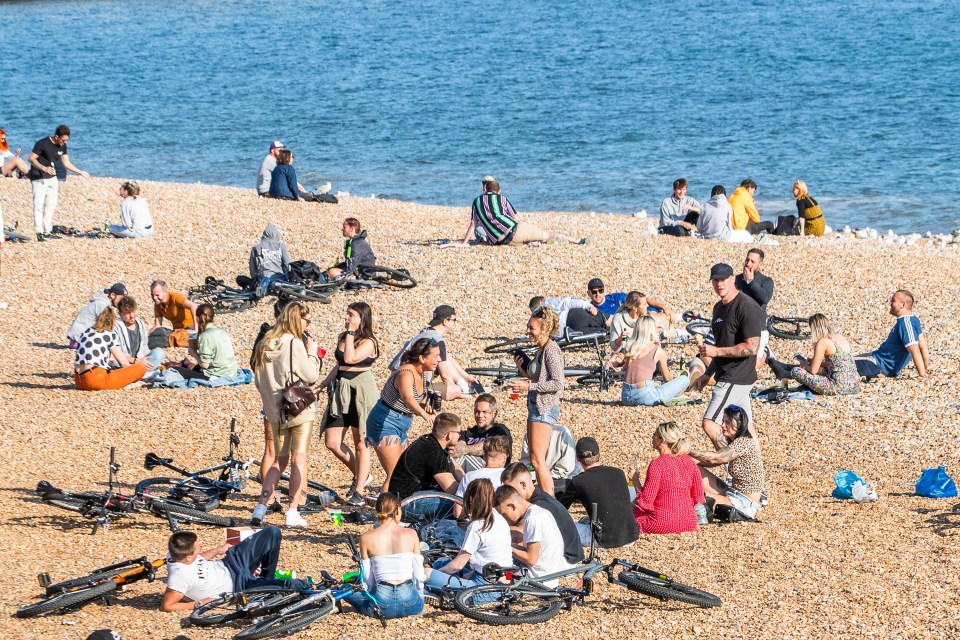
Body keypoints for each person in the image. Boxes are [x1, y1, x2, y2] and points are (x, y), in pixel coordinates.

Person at [250, 301, 322, 527]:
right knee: (298, 459)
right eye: (306, 320)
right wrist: (313, 355)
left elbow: (258, 379)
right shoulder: (294, 343)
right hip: (297, 409)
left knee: (278, 462)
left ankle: (260, 507)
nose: (307, 324)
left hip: (275, 411)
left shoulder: (265, 342)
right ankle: (292, 511)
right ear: (296, 319)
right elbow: (310, 375)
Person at [160, 527, 309, 612]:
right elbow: (167, 606)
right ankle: (312, 589)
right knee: (291, 585)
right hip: (239, 586)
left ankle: (265, 581)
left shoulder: (175, 553)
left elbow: (197, 559)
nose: (199, 547)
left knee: (272, 532)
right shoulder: (178, 577)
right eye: (197, 547)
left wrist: (217, 550)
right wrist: (198, 604)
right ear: (187, 557)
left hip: (231, 562)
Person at [693, 264, 761, 448]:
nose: (719, 284)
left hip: (736, 376)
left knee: (710, 423)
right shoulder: (718, 308)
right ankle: (754, 471)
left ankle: (733, 464)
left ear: (733, 279)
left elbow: (752, 348)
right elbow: (721, 346)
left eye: (723, 279)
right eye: (715, 280)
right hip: (727, 374)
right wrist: (708, 374)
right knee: (747, 430)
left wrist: (716, 351)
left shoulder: (747, 306)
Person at [318, 302, 379, 506]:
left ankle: (360, 490)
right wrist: (322, 385)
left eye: (351, 315)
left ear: (362, 318)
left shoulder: (369, 341)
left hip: (361, 392)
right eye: (347, 314)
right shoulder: (345, 337)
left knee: (361, 443)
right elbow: (340, 365)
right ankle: (362, 474)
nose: (346, 318)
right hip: (341, 391)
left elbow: (351, 358)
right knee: (332, 441)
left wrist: (351, 331)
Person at [368, 337, 439, 490]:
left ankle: (391, 507)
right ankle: (384, 512)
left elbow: (418, 399)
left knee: (404, 471)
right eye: (435, 356)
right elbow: (407, 398)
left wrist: (426, 407)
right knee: (395, 474)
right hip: (385, 420)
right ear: (422, 358)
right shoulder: (406, 373)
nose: (439, 360)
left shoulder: (425, 373)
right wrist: (423, 414)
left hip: (402, 422)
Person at [509, 306, 564, 496]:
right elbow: (538, 377)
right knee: (535, 459)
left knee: (538, 460)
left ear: (544, 328)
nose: (528, 331)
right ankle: (547, 499)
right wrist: (523, 371)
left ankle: (550, 501)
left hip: (544, 407)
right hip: (536, 406)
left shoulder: (551, 350)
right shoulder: (541, 350)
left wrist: (528, 387)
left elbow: (557, 383)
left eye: (531, 328)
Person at [424, 478, 513, 595]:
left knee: (427, 574)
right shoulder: (499, 519)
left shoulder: (477, 526)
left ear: (471, 499)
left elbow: (457, 565)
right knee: (443, 561)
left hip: (485, 587)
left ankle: (435, 591)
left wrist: (436, 573)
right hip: (506, 579)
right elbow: (488, 559)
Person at [344, 493, 425, 619]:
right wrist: (419, 593)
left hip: (382, 602)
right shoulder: (411, 534)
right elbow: (418, 572)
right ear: (398, 510)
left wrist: (370, 593)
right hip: (410, 601)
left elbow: (367, 577)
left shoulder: (365, 538)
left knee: (345, 589)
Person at [558, 437, 639, 548]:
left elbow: (560, 509)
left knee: (557, 531)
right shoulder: (618, 472)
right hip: (631, 535)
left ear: (577, 458)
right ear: (599, 455)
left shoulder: (579, 481)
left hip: (604, 539)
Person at [456, 177, 586, 246]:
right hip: (515, 230)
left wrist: (464, 243)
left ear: (485, 189)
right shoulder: (502, 198)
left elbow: (473, 224)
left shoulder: (476, 201)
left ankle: (534, 241)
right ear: (498, 191)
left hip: (502, 242)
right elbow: (516, 217)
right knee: (547, 235)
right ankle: (578, 241)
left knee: (480, 229)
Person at [689, 406, 765, 520]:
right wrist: (687, 460)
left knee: (692, 495)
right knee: (691, 468)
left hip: (743, 503)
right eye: (723, 421)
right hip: (732, 491)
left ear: (739, 424)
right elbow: (715, 461)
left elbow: (716, 458)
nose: (723, 426)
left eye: (728, 422)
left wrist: (688, 450)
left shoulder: (744, 442)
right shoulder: (735, 440)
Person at [629, 422, 705, 534]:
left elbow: (646, 501)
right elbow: (698, 495)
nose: (652, 437)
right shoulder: (689, 461)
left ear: (662, 440)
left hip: (663, 523)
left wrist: (635, 480)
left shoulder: (657, 464)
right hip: (689, 522)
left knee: (633, 515)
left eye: (655, 434)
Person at [388, 305, 477, 400]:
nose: (455, 322)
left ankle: (464, 386)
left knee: (443, 358)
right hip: (411, 386)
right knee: (454, 389)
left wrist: (466, 377)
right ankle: (463, 389)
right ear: (445, 321)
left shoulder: (426, 332)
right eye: (454, 320)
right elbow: (445, 375)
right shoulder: (438, 340)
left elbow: (446, 357)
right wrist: (455, 391)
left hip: (397, 378)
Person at [501, 462, 584, 564]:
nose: (508, 493)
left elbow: (519, 534)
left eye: (510, 489)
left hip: (566, 560)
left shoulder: (539, 506)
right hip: (566, 554)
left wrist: (493, 531)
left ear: (523, 485)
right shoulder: (538, 496)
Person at [493, 485, 573, 587]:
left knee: (499, 565)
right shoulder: (540, 512)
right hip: (549, 572)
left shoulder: (533, 519)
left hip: (540, 579)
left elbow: (531, 559)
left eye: (503, 514)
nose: (503, 518)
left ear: (512, 506)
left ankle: (505, 584)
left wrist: (507, 547)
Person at [767, 313, 861, 395]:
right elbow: (839, 363)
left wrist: (804, 365)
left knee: (796, 371)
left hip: (839, 387)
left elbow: (813, 371)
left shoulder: (823, 341)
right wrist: (816, 361)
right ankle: (784, 369)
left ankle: (784, 373)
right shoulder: (840, 337)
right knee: (823, 369)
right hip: (855, 385)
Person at [610, 315, 689, 406]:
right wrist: (675, 389)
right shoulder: (657, 350)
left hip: (626, 397)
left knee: (657, 389)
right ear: (652, 330)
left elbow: (627, 368)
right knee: (684, 379)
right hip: (646, 397)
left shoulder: (630, 346)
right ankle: (678, 393)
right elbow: (667, 378)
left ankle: (675, 393)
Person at [27, 125, 89, 241]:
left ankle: (48, 230)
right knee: (39, 205)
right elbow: (31, 158)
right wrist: (43, 168)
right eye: (63, 140)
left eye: (67, 140)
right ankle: (39, 232)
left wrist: (80, 172)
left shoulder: (63, 146)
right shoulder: (42, 143)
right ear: (56, 137)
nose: (65, 142)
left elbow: (66, 163)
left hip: (52, 177)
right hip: (38, 176)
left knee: (51, 204)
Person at [386, 412, 463, 500]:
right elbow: (452, 490)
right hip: (406, 501)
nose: (460, 436)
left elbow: (455, 466)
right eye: (459, 432)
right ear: (450, 435)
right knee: (458, 506)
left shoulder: (431, 441)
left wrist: (467, 481)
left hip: (400, 495)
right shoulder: (434, 452)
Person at [855, 290, 930, 378]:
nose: (890, 303)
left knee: (841, 364)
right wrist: (927, 366)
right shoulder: (913, 319)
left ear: (903, 305)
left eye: (893, 300)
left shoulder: (906, 323)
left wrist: (922, 375)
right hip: (878, 358)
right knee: (846, 359)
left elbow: (915, 350)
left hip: (879, 365)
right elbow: (923, 344)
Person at [74, 307, 150, 390]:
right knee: (141, 368)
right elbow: (123, 362)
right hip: (95, 378)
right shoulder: (108, 335)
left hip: (78, 380)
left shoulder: (85, 333)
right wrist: (132, 373)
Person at [171, 304, 240, 383]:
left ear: (197, 318)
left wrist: (193, 353)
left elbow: (205, 365)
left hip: (217, 375)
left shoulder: (205, 336)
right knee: (194, 368)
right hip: (231, 371)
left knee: (176, 370)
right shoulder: (221, 331)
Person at [452, 393, 513, 473]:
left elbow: (489, 449)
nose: (480, 415)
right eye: (477, 411)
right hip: (467, 473)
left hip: (492, 472)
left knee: (462, 459)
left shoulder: (500, 430)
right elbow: (457, 447)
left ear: (494, 413)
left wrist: (465, 450)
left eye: (485, 412)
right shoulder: (469, 433)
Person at [735, 248, 774, 364]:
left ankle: (765, 352)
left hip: (758, 328)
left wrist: (750, 282)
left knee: (754, 365)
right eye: (747, 260)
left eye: (753, 261)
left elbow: (765, 298)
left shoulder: (766, 281)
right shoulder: (736, 279)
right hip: (738, 326)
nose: (748, 264)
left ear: (760, 264)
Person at [112, 295, 165, 381]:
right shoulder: (115, 327)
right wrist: (135, 361)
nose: (132, 316)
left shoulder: (140, 324)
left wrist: (144, 360)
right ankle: (140, 375)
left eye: (133, 311)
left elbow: (144, 348)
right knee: (113, 362)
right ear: (120, 313)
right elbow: (115, 354)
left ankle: (139, 374)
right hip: (124, 362)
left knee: (159, 352)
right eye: (127, 313)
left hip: (140, 362)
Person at [519, 423, 579, 495]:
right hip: (538, 478)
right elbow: (527, 462)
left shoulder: (562, 432)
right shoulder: (529, 434)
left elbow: (566, 466)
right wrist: (533, 476)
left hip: (562, 478)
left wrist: (544, 477)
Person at [67, 283, 128, 348]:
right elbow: (109, 326)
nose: (123, 301)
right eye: (121, 298)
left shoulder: (102, 302)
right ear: (112, 295)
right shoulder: (101, 305)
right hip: (79, 339)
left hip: (78, 337)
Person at [237, 224, 292, 291]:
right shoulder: (281, 246)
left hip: (263, 282)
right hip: (281, 281)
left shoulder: (256, 248)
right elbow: (288, 265)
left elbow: (253, 271)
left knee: (239, 278)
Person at [149, 280, 199, 348]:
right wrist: (145, 337)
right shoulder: (158, 305)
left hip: (190, 327)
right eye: (152, 295)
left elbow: (194, 306)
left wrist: (196, 329)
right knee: (159, 332)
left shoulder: (175, 297)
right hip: (177, 330)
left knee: (164, 340)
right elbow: (157, 326)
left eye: (157, 295)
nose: (154, 298)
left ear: (165, 292)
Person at [529, 294, 604, 336]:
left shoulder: (535, 320)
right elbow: (566, 303)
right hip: (572, 317)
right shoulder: (546, 302)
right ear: (540, 300)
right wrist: (587, 305)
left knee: (601, 332)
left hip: (568, 332)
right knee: (605, 320)